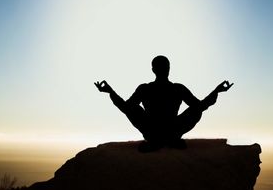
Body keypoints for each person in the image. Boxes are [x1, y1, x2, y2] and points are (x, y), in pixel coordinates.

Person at [95, 55, 233, 152]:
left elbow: (126, 108)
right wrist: (217, 91)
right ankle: (169, 140)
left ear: (153, 70)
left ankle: (156, 142)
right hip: (171, 131)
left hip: (153, 132)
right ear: (169, 69)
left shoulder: (146, 88)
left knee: (133, 108)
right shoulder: (177, 88)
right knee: (196, 109)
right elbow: (200, 106)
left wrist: (110, 92)